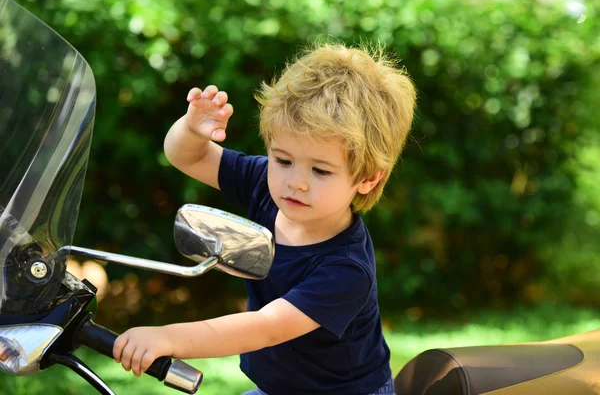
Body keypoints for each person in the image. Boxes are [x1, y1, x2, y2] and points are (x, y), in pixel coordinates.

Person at [113, 41, 417, 395]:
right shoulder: (265, 184)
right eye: (283, 160)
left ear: (368, 178)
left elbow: (264, 328)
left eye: (320, 170)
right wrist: (193, 130)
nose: (296, 182)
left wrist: (168, 337)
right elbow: (188, 158)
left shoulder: (346, 269)